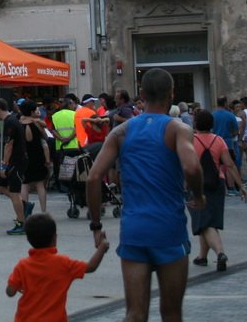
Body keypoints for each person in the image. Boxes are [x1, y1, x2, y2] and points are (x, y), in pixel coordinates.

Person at [86, 68, 203, 322]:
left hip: (134, 230)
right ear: (171, 94)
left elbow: (94, 177)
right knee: (171, 313)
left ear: (141, 94)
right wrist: (199, 195)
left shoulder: (121, 132)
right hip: (169, 229)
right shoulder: (178, 129)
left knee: (135, 313)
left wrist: (96, 225)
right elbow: (192, 167)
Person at [5, 213, 107, 322]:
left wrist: (18, 286)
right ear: (54, 238)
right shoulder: (64, 264)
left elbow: (10, 292)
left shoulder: (23, 265)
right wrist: (102, 247)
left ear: (28, 239)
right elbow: (91, 267)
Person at [189, 109, 247, 273]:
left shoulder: (191, 140)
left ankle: (220, 253)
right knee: (207, 220)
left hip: (197, 183)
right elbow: (229, 164)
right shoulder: (219, 140)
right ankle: (202, 256)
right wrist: (241, 186)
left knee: (205, 222)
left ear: (195, 123)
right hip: (217, 183)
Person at [0, 98, 31, 235]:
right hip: (16, 160)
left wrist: (4, 165)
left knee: (15, 193)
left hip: (16, 161)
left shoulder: (10, 122)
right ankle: (24, 205)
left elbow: (9, 145)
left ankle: (21, 223)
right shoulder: (13, 119)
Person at [17, 99, 51, 217]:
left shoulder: (18, 123)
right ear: (31, 112)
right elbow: (45, 137)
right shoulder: (37, 123)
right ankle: (43, 211)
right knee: (40, 184)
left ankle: (24, 211)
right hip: (37, 156)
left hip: (23, 156)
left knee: (24, 184)